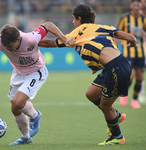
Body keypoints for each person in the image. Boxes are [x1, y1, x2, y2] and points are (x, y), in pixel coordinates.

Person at [38, 3, 137, 145]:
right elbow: (124, 35)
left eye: (73, 19)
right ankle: (116, 115)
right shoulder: (102, 27)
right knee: (91, 93)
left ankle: (117, 136)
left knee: (105, 106)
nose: (73, 22)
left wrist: (30, 42)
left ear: (79, 18)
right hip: (119, 65)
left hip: (115, 69)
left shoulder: (76, 33)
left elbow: (48, 43)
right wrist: (132, 41)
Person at [0, 22, 70, 145]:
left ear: (18, 39)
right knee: (15, 108)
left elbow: (49, 25)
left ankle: (35, 115)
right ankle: (26, 137)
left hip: (36, 71)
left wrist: (64, 39)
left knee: (18, 102)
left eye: (11, 46)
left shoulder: (30, 38)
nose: (9, 49)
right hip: (18, 72)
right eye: (6, 47)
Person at [118, 0, 146, 109]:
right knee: (130, 76)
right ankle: (124, 93)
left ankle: (134, 100)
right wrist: (129, 35)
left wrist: (144, 34)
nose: (136, 7)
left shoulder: (144, 19)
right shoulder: (125, 18)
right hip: (128, 52)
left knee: (140, 76)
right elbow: (117, 33)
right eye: (134, 5)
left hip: (140, 53)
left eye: (138, 5)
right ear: (131, 6)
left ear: (140, 6)